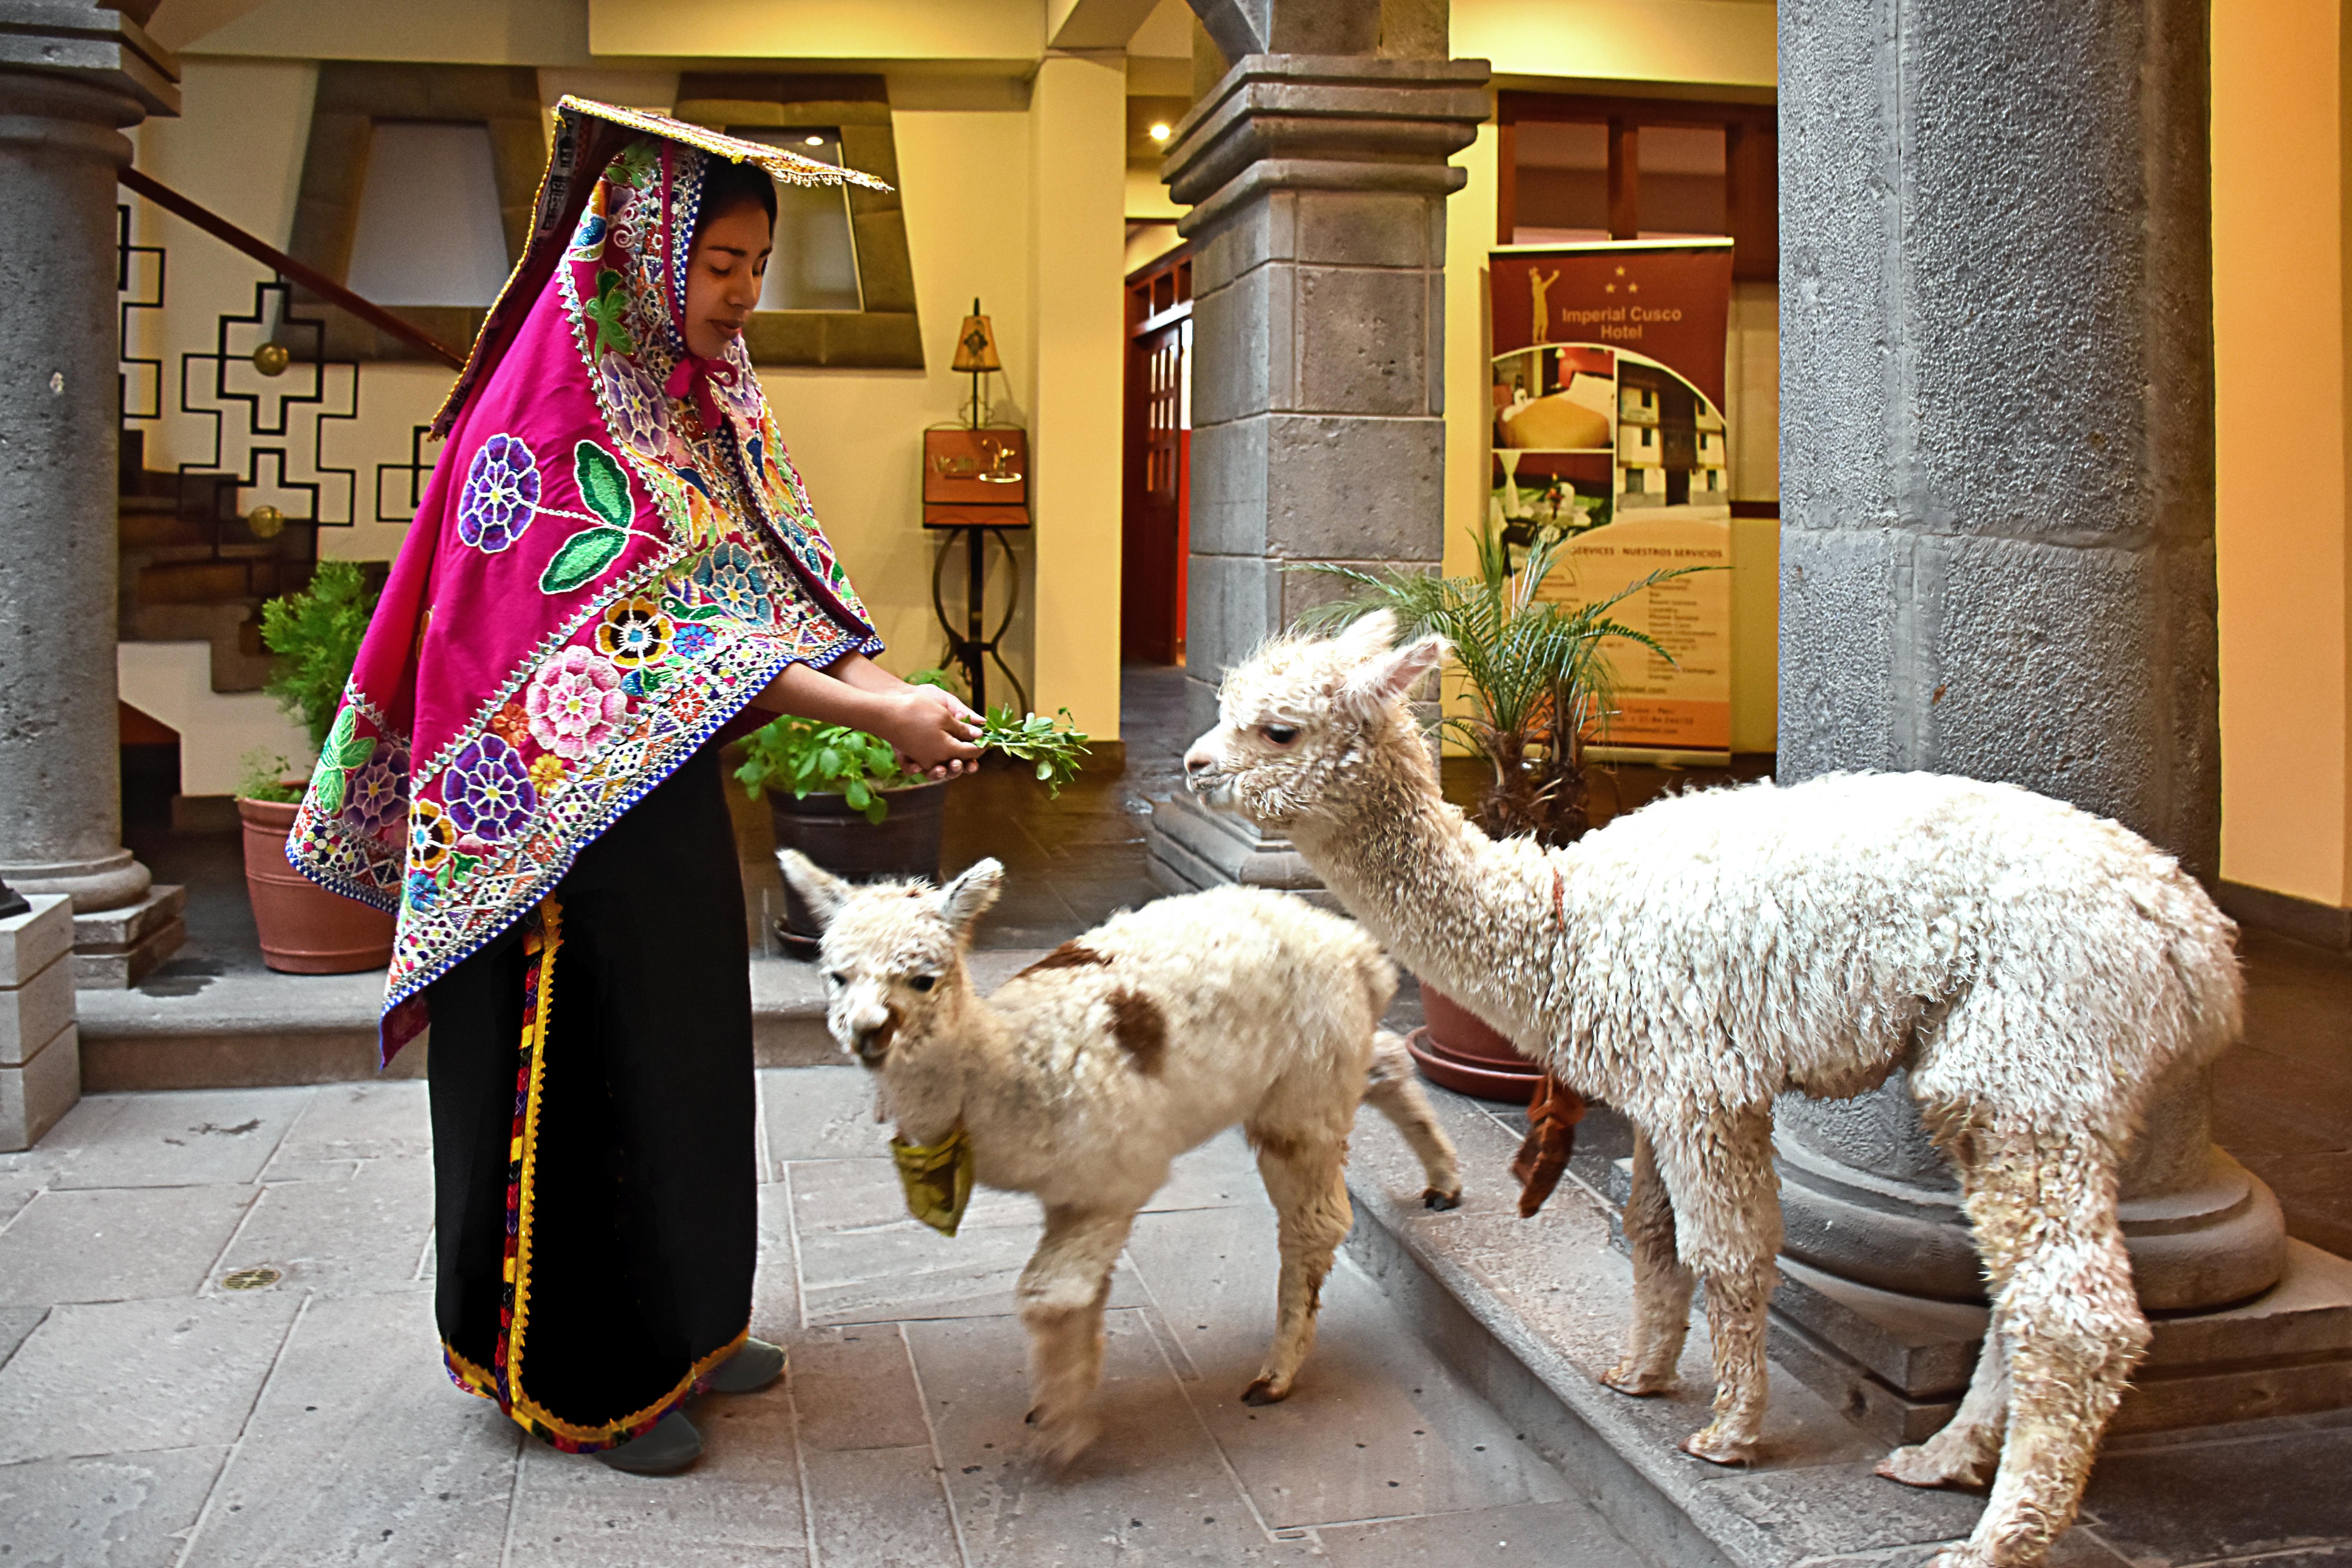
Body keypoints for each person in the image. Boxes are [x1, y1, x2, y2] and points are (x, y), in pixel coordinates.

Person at [285, 100, 980, 1475]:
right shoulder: (552, 406)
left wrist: (888, 685)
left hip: (652, 798)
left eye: (757, 266)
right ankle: (585, 1382)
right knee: (586, 1079)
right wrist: (875, 709)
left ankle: (691, 1327)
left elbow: (762, 578)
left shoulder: (696, 388)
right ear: (656, 248)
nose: (741, 294)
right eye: (720, 262)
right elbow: (677, 634)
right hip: (556, 835)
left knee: (685, 1052)